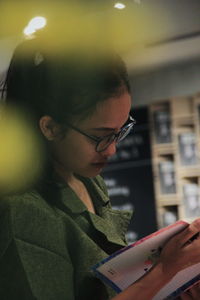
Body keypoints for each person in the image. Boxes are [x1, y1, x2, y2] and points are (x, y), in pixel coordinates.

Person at [0, 37, 200, 300]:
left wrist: (171, 283)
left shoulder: (88, 180)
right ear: (49, 127)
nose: (111, 150)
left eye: (120, 132)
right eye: (100, 136)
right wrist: (164, 271)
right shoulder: (22, 209)